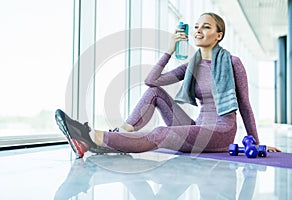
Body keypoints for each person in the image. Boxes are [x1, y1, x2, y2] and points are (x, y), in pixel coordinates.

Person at [55, 12, 281, 158]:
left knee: (161, 132)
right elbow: (151, 82)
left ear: (218, 35)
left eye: (206, 27)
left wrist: (258, 144)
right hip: (197, 127)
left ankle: (92, 137)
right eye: (196, 27)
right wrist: (170, 50)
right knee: (155, 93)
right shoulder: (193, 64)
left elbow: (245, 106)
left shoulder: (232, 63)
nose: (198, 31)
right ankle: (117, 135)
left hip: (220, 132)